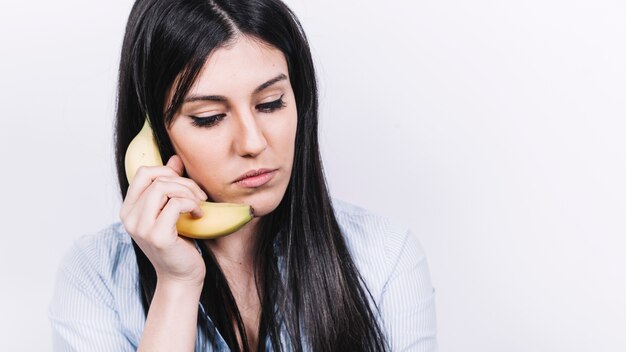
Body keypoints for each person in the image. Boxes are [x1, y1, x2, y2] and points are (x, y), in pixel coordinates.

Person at [48, 0, 437, 351]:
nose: (253, 142)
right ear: (152, 137)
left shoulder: (384, 257)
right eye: (209, 118)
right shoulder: (95, 275)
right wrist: (176, 285)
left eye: (271, 104)